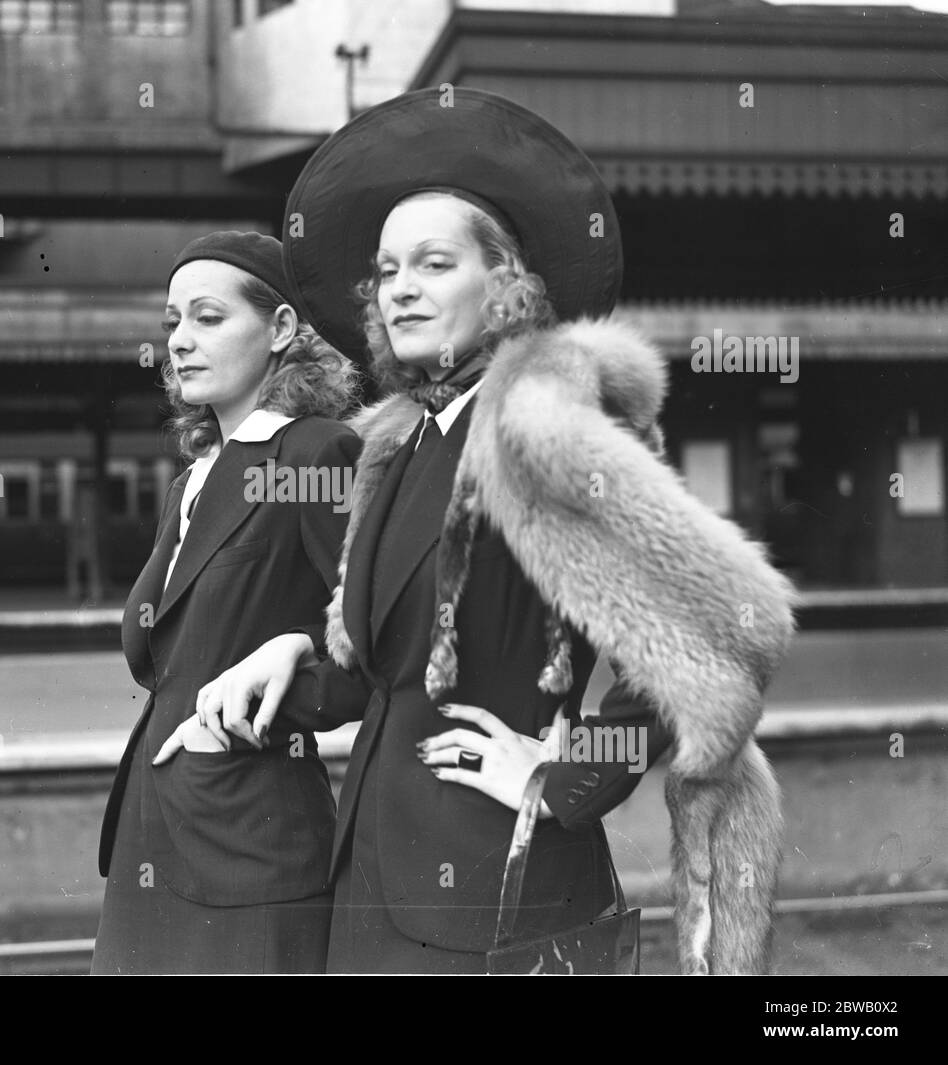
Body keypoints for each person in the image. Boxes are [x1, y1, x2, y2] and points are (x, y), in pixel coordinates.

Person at [192, 90, 795, 974]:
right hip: (370, 880)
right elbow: (375, 686)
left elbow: (717, 633)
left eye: (433, 264)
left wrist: (567, 778)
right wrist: (287, 654)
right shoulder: (393, 448)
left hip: (501, 892)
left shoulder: (543, 424)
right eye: (387, 269)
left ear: (507, 284)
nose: (400, 286)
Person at [91, 231, 360, 974]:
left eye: (208, 317)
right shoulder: (193, 482)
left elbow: (375, 650)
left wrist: (269, 686)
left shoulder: (316, 454)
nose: (179, 341)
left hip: (250, 844)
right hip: (152, 839)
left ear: (279, 330)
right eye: (172, 321)